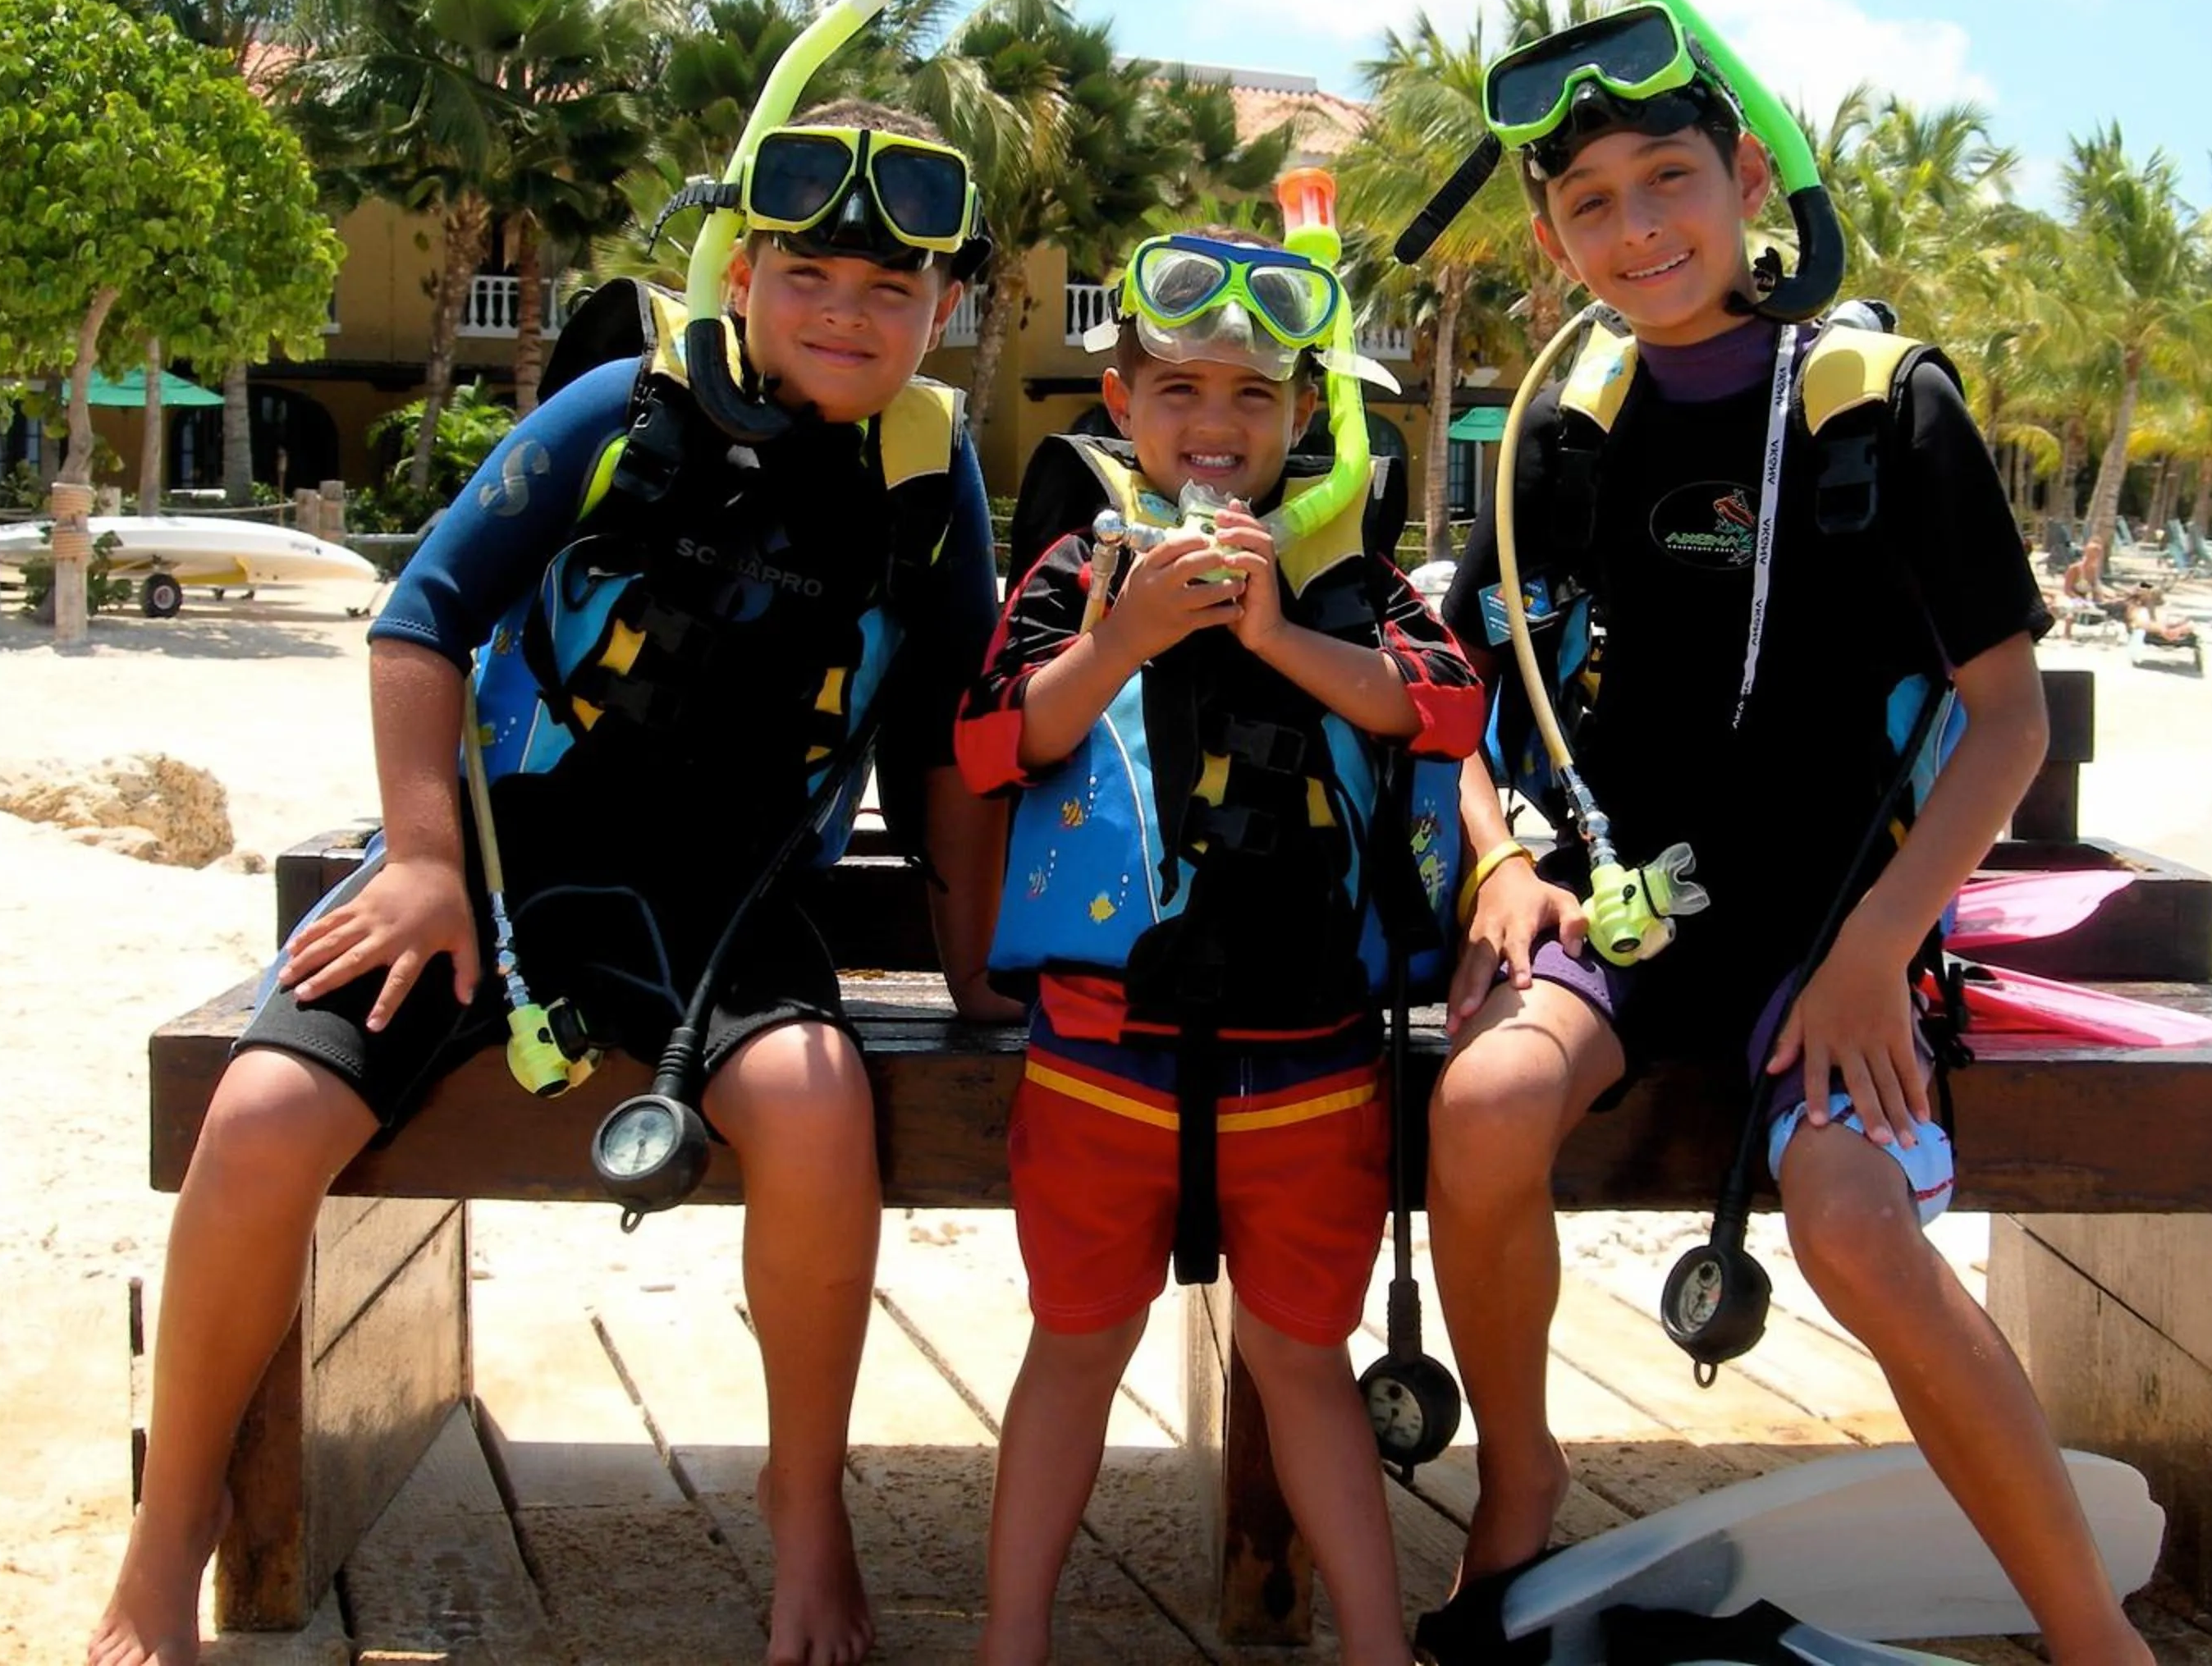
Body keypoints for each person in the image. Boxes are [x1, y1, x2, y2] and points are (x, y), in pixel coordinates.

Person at [91, 98, 1016, 1666]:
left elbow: (946, 746)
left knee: (811, 1099)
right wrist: (427, 862)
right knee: (256, 1117)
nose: (848, 316)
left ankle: (807, 1524)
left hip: (723, 909)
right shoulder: (616, 406)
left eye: (892, 292)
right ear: (742, 275)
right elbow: (422, 617)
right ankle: (164, 1545)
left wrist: (978, 968)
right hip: (504, 871)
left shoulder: (930, 487)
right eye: (811, 277)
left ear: (945, 309)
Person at [1424, 16, 2155, 1664]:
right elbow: (1456, 698)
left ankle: (2096, 1641)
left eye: (1670, 177)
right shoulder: (1564, 433)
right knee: (1478, 1109)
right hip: (1633, 912)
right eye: (1592, 201)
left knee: (1846, 1220)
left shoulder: (1879, 410)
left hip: (1845, 925)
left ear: (1752, 177)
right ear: (1552, 240)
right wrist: (1496, 858)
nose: (1639, 227)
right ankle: (1521, 1479)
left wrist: (1878, 951)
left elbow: (2009, 720)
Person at [956, 228, 1484, 1666]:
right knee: (1074, 1346)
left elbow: (1442, 714)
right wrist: (1124, 634)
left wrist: (1278, 634)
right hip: (1098, 1062)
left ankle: (1378, 1649)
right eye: (1180, 387)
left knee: (1302, 1359)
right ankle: (1013, 1643)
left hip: (1308, 1065)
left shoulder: (1352, 583)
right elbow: (999, 737)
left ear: (1306, 417)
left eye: (1255, 396)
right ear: (1121, 406)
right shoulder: (1078, 568)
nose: (1216, 423)